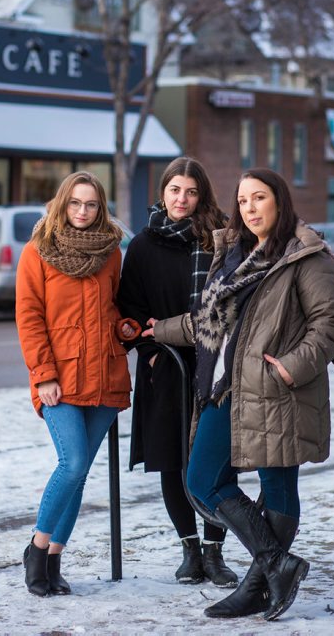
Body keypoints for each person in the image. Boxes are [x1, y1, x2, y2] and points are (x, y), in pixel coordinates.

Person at [143, 167, 334, 621]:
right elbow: (210, 320)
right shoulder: (233, 251)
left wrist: (292, 368)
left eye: (259, 198)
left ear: (280, 201)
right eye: (243, 200)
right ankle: (277, 563)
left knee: (277, 483)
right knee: (201, 479)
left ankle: (258, 586)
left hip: (277, 388)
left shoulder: (306, 256)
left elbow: (329, 326)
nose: (250, 208)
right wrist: (163, 329)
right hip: (225, 385)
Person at [16, 171, 140, 598]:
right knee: (71, 464)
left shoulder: (111, 253)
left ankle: (54, 559)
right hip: (60, 379)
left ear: (100, 207)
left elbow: (114, 308)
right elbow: (29, 319)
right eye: (75, 203)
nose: (83, 212)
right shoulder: (37, 252)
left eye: (91, 205)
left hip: (104, 373)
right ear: (61, 204)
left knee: (81, 472)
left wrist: (127, 329)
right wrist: (43, 374)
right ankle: (36, 547)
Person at [118, 156, 238, 588]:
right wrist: (149, 353)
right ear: (163, 192)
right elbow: (129, 309)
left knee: (216, 461)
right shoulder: (145, 244)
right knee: (172, 460)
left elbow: (236, 299)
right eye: (174, 190)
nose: (182, 199)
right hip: (166, 367)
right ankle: (189, 549)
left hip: (216, 365)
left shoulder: (222, 238)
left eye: (191, 191)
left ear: (201, 194)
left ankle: (214, 551)